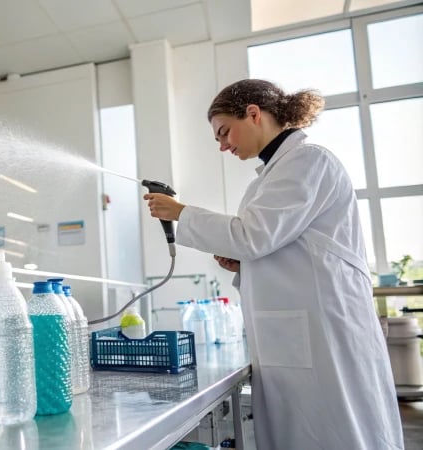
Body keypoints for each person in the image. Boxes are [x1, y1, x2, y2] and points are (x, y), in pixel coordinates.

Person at [144, 79, 403, 449]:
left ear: (253, 113)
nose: (223, 145)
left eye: (224, 132)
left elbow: (254, 235)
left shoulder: (309, 161)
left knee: (338, 432)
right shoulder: (268, 179)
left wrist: (181, 213)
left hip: (324, 328)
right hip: (296, 333)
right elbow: (275, 243)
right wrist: (243, 264)